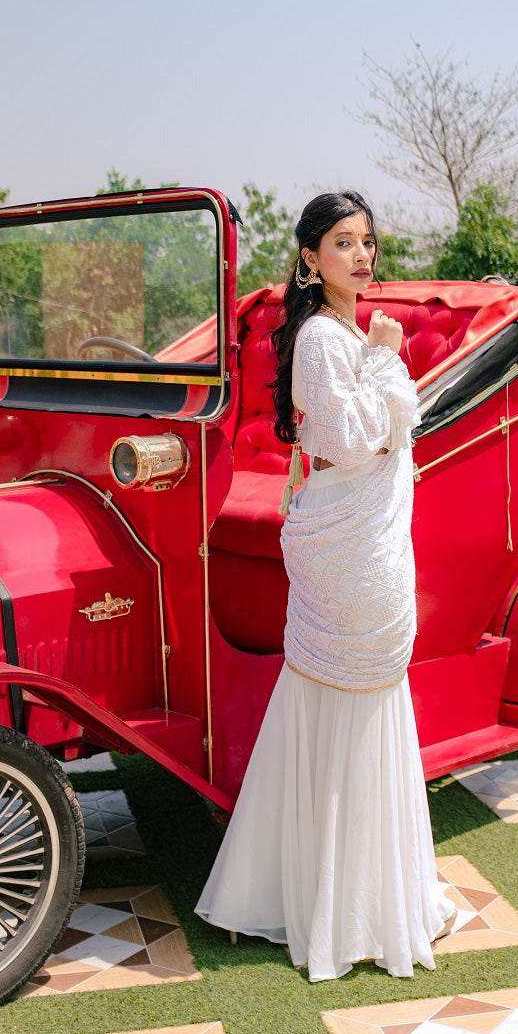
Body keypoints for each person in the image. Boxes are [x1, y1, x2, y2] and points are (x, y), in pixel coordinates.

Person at [195, 190, 456, 981]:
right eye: (344, 243)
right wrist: (383, 355)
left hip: (371, 538)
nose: (362, 256)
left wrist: (375, 361)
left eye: (368, 242)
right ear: (310, 257)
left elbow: (382, 435)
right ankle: (338, 907)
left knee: (362, 701)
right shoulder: (321, 337)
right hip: (351, 554)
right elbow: (349, 440)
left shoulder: (345, 333)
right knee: (353, 696)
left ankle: (364, 892)